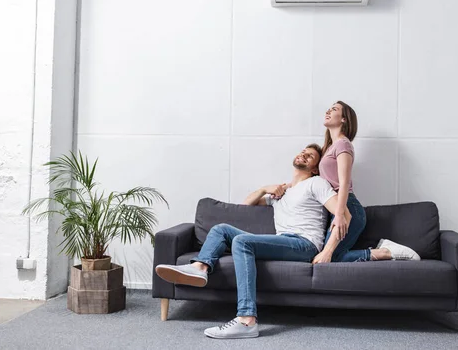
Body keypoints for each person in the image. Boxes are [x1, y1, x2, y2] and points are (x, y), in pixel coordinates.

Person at [155, 144, 418, 339]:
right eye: (302, 151)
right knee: (222, 228)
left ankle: (246, 320)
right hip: (284, 241)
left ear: (315, 166)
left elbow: (343, 215)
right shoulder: (280, 193)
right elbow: (245, 207)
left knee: (242, 243)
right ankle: (201, 268)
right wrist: (264, 189)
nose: (303, 155)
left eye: (310, 156)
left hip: (304, 244)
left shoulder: (316, 183)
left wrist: (327, 250)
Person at [312, 101, 420, 264]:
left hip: (347, 208)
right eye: (328, 109)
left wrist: (340, 214)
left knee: (330, 258)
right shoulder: (329, 147)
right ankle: (384, 250)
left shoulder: (343, 144)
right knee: (328, 257)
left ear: (344, 119)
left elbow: (344, 182)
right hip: (336, 207)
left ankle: (386, 252)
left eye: (334, 109)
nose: (328, 111)